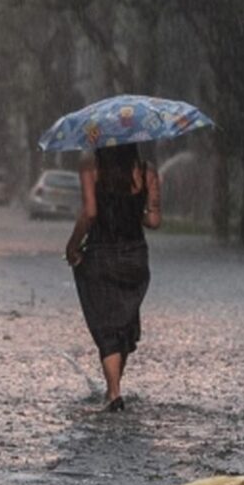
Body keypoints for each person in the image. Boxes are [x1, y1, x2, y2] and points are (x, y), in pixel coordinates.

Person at [65, 143, 161, 412]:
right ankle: (114, 387)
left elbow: (90, 213)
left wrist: (72, 246)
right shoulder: (147, 171)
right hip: (135, 257)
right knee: (124, 322)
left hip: (101, 255)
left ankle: (113, 393)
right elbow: (154, 221)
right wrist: (132, 208)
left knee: (105, 324)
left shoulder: (90, 166)